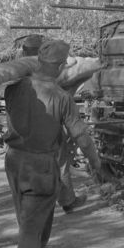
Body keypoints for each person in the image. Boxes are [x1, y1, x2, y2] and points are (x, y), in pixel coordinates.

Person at [3, 39, 105, 248]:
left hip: (14, 162)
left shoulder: (12, 89)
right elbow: (81, 135)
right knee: (31, 227)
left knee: (29, 223)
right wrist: (96, 165)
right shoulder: (61, 97)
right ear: (61, 65)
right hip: (41, 167)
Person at [21, 33, 86, 214]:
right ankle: (67, 202)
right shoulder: (42, 66)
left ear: (24, 50)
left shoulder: (19, 69)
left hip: (25, 127)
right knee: (61, 162)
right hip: (48, 122)